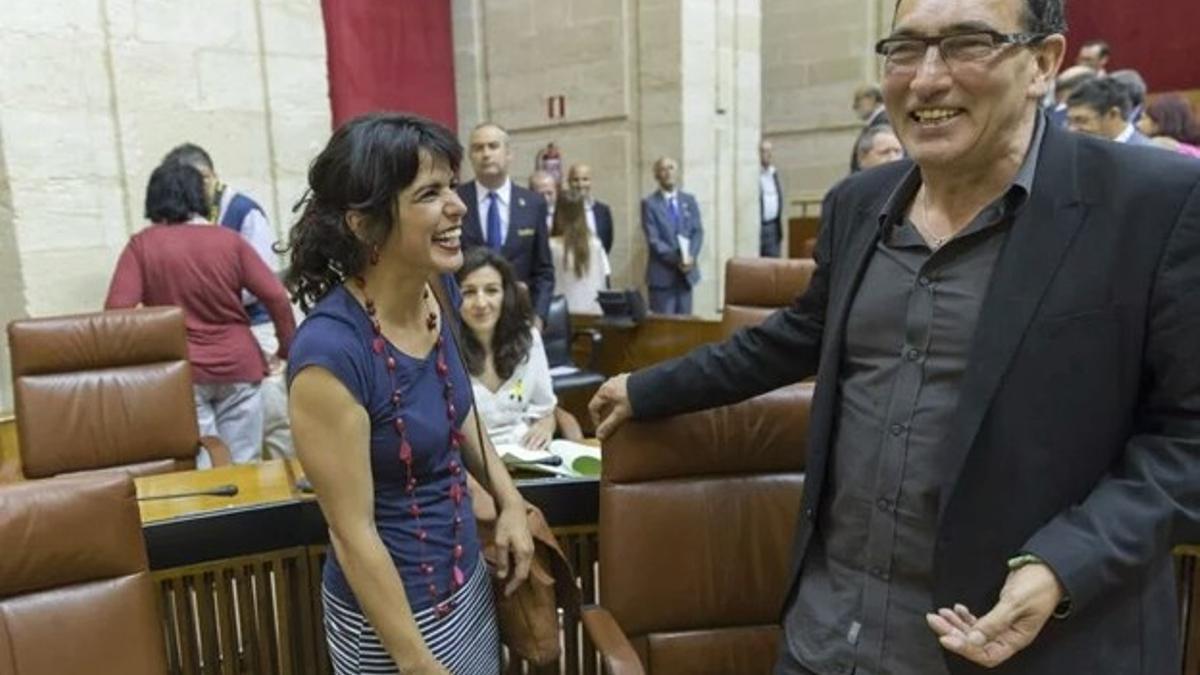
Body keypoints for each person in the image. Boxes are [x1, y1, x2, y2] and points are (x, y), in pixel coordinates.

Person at [590, 0, 1200, 672]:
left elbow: (1187, 438)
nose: (926, 79)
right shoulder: (859, 202)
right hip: (827, 639)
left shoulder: (1155, 204)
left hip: (1032, 644)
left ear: (1043, 62)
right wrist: (646, 388)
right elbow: (795, 335)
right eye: (905, 49)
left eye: (967, 43)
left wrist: (1065, 561)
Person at [284, 113, 533, 674]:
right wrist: (416, 663)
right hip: (391, 625)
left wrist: (510, 499)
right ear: (366, 225)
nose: (459, 205)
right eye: (430, 193)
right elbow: (353, 533)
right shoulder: (330, 355)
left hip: (467, 584)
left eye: (451, 185)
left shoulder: (437, 287)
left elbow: (456, 406)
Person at [105, 162, 295, 467]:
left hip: (183, 372)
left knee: (204, 470)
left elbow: (116, 312)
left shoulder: (142, 246)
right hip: (240, 366)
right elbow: (275, 295)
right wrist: (286, 347)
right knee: (245, 465)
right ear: (199, 197)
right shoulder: (228, 240)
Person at [162, 142, 295, 458]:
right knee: (219, 444)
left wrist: (207, 292)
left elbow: (265, 280)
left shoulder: (243, 211)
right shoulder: (179, 221)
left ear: (210, 177)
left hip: (256, 327)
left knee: (274, 423)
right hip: (209, 342)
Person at [457, 248, 558, 452]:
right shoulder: (444, 349)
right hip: (471, 463)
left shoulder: (529, 339)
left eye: (491, 290)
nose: (481, 302)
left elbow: (545, 410)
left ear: (506, 294)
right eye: (469, 292)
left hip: (526, 456)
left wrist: (545, 426)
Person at [458, 123, 555, 324]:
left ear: (508, 153)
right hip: (469, 319)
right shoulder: (455, 201)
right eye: (478, 148)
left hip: (519, 319)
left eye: (493, 146)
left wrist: (539, 317)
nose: (486, 154)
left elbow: (544, 270)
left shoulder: (533, 203)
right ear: (470, 157)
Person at [641, 157, 702, 315]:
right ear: (656, 175)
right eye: (663, 169)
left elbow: (698, 231)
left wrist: (691, 257)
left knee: (686, 328)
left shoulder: (689, 200)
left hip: (686, 276)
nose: (668, 172)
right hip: (662, 278)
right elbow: (654, 240)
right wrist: (678, 259)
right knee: (664, 330)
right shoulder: (649, 204)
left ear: (677, 172)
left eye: (671, 168)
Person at [549, 190, 609, 315]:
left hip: (559, 313)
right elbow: (603, 278)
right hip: (592, 311)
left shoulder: (551, 246)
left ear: (558, 213)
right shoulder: (595, 244)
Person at [1066, 77, 1155, 145]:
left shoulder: (1150, 156)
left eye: (1081, 120)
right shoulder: (1075, 149)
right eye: (1069, 121)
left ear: (1113, 114)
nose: (1071, 129)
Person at [566, 163, 615, 254]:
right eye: (575, 180)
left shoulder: (603, 211)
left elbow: (607, 242)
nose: (580, 185)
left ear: (591, 181)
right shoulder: (562, 210)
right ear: (568, 182)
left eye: (585, 179)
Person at [850, 84, 891, 171]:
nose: (854, 106)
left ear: (871, 98)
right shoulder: (879, 121)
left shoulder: (883, 122)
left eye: (858, 100)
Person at [759, 140, 785, 257]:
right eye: (765, 151)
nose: (769, 154)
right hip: (760, 227)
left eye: (770, 151)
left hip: (774, 227)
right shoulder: (755, 174)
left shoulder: (774, 173)